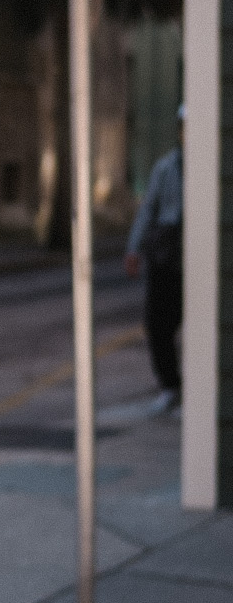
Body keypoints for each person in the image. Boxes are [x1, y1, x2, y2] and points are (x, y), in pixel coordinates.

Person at [125, 106, 184, 407]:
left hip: (195, 257)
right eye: (183, 128)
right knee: (158, 323)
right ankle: (170, 386)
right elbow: (148, 208)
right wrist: (134, 248)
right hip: (167, 253)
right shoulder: (166, 167)